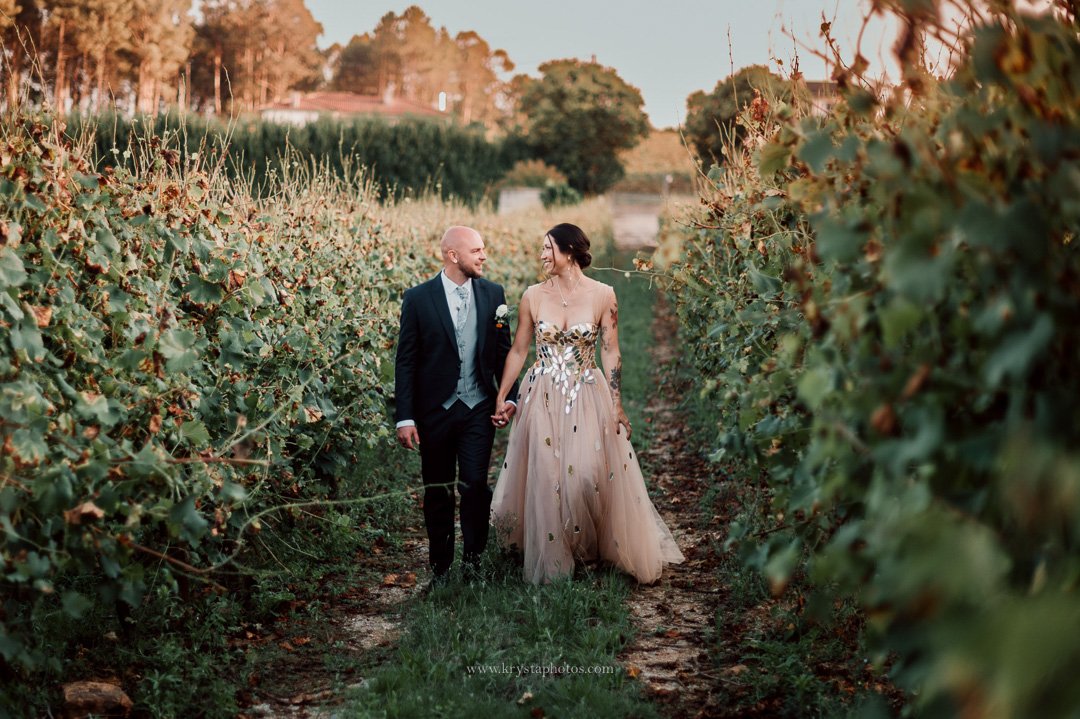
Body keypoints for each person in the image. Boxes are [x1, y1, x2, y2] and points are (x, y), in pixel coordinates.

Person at [490, 223, 684, 584]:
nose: (542, 255)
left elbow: (611, 351)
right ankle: (554, 562)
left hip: (585, 392)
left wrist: (617, 403)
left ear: (569, 251)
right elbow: (519, 349)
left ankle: (589, 548)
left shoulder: (603, 295)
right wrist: (504, 393)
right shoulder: (532, 295)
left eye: (548, 248)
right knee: (547, 475)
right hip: (542, 393)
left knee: (584, 475)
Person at [394, 226, 518, 583]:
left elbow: (502, 352)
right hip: (435, 411)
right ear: (453, 256)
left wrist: (507, 396)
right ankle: (441, 570)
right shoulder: (417, 298)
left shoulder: (495, 294)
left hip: (478, 406)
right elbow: (406, 361)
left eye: (483, 249)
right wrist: (405, 417)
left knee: (475, 486)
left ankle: (474, 565)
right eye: (476, 250)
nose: (484, 256)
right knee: (437, 490)